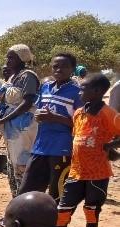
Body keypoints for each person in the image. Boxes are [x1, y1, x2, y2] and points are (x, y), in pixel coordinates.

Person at [56, 73, 120, 227]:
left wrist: (110, 145)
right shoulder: (78, 113)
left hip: (97, 174)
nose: (79, 92)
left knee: (91, 211)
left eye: (83, 88)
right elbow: (77, 138)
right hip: (76, 171)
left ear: (98, 91)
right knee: (63, 210)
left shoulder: (109, 114)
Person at [18, 53, 82, 201]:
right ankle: (23, 220)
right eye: (55, 66)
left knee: (56, 193)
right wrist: (38, 115)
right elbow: (39, 112)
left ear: (72, 69)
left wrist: (53, 117)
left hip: (62, 149)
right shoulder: (46, 87)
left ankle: (55, 223)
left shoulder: (77, 92)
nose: (59, 69)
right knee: (27, 188)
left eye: (64, 66)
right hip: (40, 146)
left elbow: (81, 124)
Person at [0, 45, 40, 198]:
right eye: (8, 57)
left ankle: (23, 208)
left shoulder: (28, 76)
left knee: (21, 166)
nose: (8, 60)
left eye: (11, 57)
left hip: (23, 128)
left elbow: (27, 103)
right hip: (11, 129)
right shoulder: (13, 77)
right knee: (13, 165)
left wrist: (4, 119)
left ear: (21, 58)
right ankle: (16, 204)